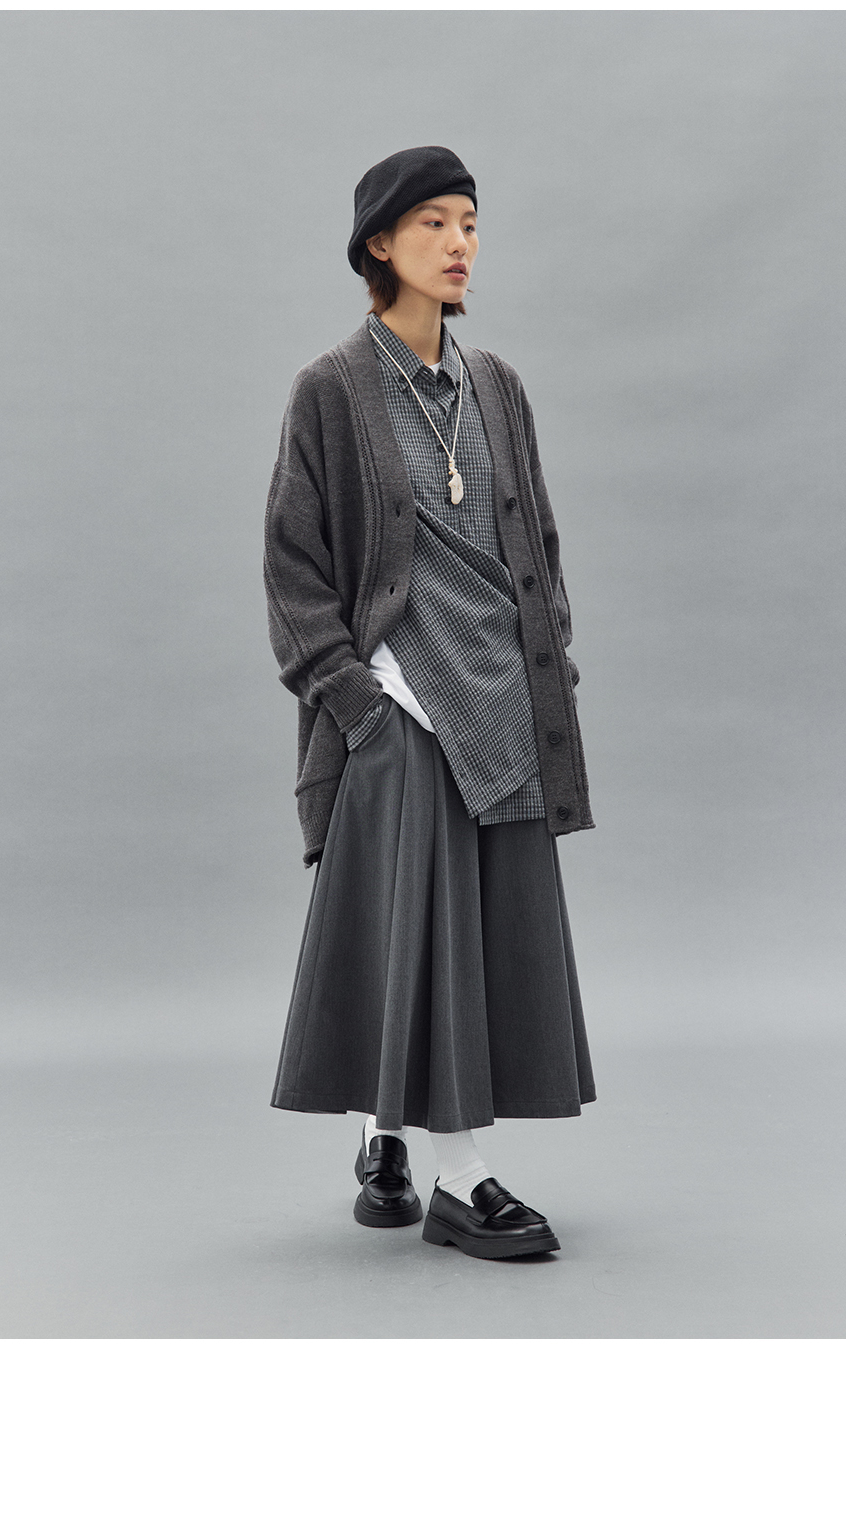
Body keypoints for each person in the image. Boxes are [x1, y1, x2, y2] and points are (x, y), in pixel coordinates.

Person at [264, 146, 596, 1260]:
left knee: (462, 937)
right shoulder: (330, 388)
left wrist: (550, 663)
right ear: (379, 244)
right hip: (402, 702)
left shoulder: (496, 385)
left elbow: (537, 541)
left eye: (469, 223)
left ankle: (382, 1140)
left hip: (502, 698)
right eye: (434, 224)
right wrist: (354, 701)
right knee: (425, 932)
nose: (460, 244)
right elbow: (293, 567)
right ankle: (462, 1179)